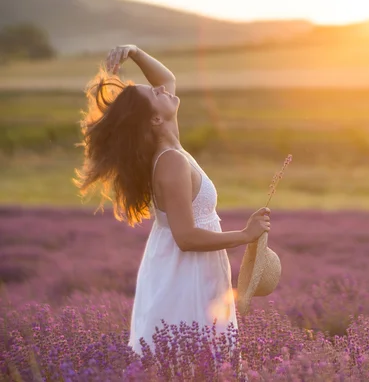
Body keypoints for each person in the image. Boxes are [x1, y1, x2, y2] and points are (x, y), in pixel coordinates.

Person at [73, 44, 271, 360]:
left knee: (197, 358)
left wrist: (135, 53)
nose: (163, 90)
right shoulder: (171, 163)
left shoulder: (170, 143)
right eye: (155, 94)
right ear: (154, 119)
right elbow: (186, 237)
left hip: (191, 267)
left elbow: (168, 79)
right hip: (184, 273)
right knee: (187, 359)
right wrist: (245, 235)